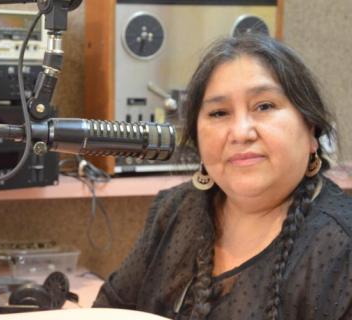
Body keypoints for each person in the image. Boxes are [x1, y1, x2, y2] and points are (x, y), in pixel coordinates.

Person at [92, 34, 352, 320]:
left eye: (264, 106)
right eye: (218, 113)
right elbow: (110, 310)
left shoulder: (340, 244)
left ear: (311, 129)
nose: (240, 132)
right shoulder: (176, 209)